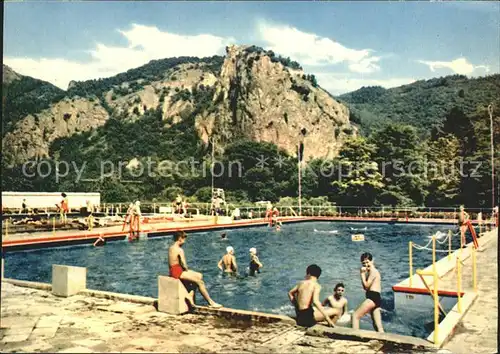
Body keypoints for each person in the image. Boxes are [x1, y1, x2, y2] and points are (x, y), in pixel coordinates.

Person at [168, 231, 222, 308]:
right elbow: (184, 264)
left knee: (199, 275)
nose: (185, 242)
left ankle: (190, 295)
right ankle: (211, 302)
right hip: (177, 272)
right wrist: (187, 270)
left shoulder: (171, 248)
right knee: (200, 282)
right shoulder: (180, 250)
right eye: (184, 239)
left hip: (173, 270)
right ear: (180, 238)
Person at [352, 252, 384, 333]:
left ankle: (355, 336)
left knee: (355, 316)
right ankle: (384, 340)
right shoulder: (370, 272)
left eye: (367, 262)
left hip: (373, 297)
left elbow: (366, 286)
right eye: (364, 263)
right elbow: (365, 287)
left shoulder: (373, 271)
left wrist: (362, 274)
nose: (366, 265)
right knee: (378, 326)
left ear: (372, 261)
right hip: (376, 298)